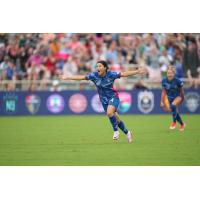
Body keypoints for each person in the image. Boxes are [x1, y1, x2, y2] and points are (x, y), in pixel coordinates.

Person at [59, 60, 147, 143]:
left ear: (105, 68)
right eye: (97, 66)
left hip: (113, 97)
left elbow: (123, 74)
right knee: (116, 119)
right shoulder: (94, 76)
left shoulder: (111, 74)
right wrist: (66, 77)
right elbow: (81, 77)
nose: (98, 68)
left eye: (100, 66)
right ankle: (128, 133)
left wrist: (137, 71)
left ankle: (116, 131)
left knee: (109, 113)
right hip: (104, 100)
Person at [160, 65, 185, 131]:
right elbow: (163, 92)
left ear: (173, 73)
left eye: (171, 73)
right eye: (168, 73)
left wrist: (183, 98)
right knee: (175, 112)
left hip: (178, 97)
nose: (169, 74)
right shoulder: (164, 81)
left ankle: (174, 122)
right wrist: (161, 101)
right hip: (170, 98)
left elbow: (181, 90)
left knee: (173, 105)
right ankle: (182, 124)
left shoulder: (178, 81)